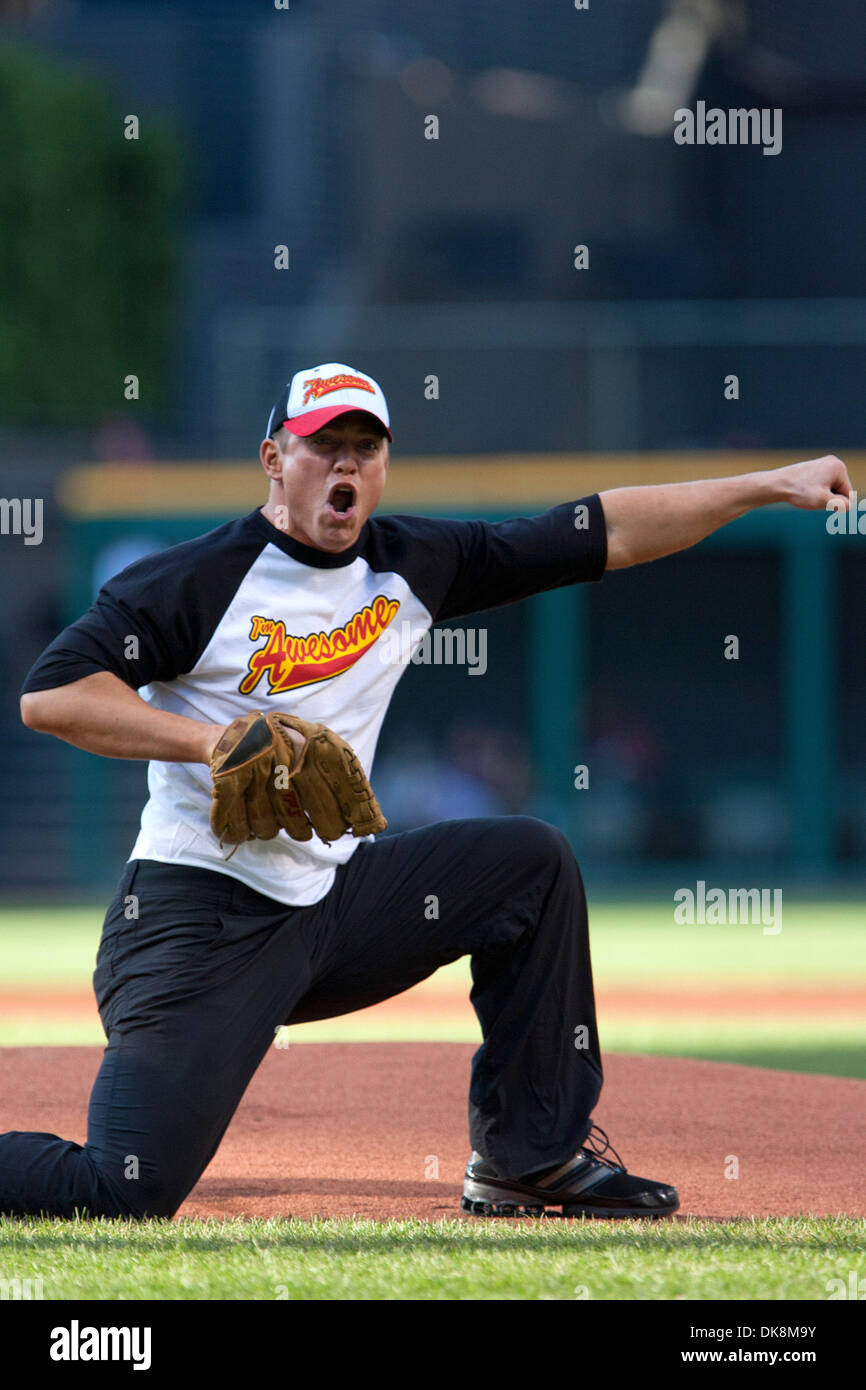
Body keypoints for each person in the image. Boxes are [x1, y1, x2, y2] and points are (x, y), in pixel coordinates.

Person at [7, 362, 851, 1221]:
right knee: (123, 1189)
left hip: (332, 904)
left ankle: (529, 1159)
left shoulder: (414, 562)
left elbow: (606, 532)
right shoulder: (199, 579)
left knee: (531, 862)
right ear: (273, 457)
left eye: (364, 449)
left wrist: (766, 484)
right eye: (323, 446)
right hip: (197, 921)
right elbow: (54, 693)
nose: (346, 466)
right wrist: (216, 739)